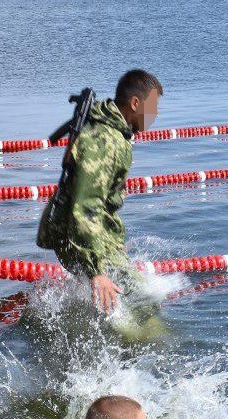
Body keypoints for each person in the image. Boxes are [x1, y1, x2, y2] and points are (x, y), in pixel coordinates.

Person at [37, 69, 163, 313]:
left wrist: (113, 243)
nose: (156, 114)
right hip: (74, 235)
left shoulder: (116, 132)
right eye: (153, 107)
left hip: (83, 233)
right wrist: (97, 271)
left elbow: (102, 202)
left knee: (137, 302)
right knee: (144, 307)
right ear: (135, 104)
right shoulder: (104, 140)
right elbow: (86, 206)